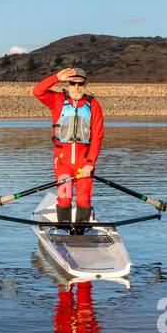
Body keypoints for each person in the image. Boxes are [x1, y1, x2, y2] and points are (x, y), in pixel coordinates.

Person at [32, 66, 104, 234]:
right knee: (64, 198)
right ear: (68, 84)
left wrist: (90, 164)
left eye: (80, 84)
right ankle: (63, 231)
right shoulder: (57, 100)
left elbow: (97, 137)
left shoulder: (93, 105)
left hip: (84, 163)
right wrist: (56, 77)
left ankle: (80, 232)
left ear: (86, 84)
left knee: (84, 199)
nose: (76, 87)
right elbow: (37, 91)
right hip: (63, 162)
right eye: (72, 83)